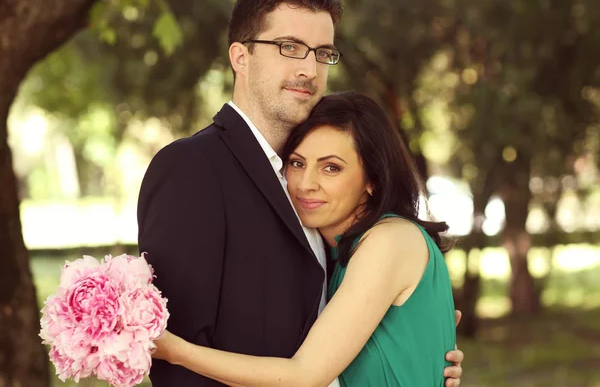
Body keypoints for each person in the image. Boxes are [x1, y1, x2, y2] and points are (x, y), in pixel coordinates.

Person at [137, 0, 464, 386]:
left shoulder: (319, 195)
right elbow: (174, 360)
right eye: (289, 47)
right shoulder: (191, 169)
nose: (310, 68)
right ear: (241, 57)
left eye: (322, 52)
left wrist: (417, 345)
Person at [152, 92, 458, 386]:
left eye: (331, 168)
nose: (305, 184)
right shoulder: (337, 253)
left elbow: (303, 377)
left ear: (373, 180)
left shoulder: (389, 240)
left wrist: (175, 350)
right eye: (297, 163)